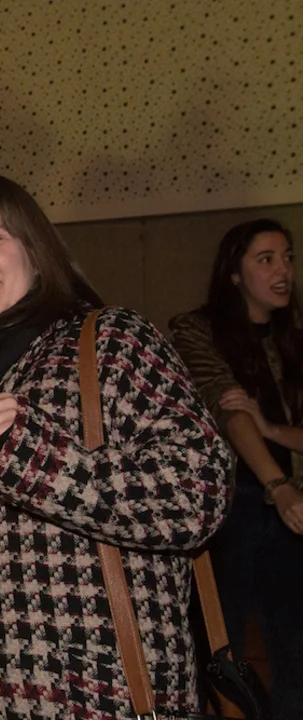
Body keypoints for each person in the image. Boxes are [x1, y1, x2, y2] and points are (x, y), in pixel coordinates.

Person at [0, 171, 231, 718]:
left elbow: (199, 493)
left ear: (37, 254)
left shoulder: (108, 340)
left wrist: (30, 453)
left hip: (97, 696)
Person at [169, 218, 303, 719]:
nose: (283, 270)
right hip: (228, 505)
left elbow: (270, 426)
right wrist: (277, 484)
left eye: (288, 257)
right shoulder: (196, 329)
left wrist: (271, 429)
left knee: (293, 644)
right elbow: (228, 411)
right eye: (266, 259)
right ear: (234, 272)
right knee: (219, 645)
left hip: (288, 505)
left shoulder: (293, 340)